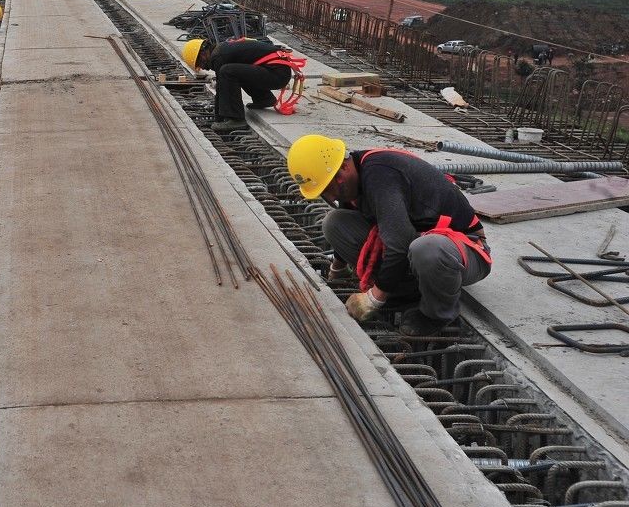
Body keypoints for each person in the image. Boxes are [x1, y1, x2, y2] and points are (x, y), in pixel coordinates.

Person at [286, 134, 492, 336]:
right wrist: (337, 269)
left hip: (463, 251)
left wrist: (374, 299)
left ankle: (436, 314)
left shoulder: (380, 176)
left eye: (330, 188)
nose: (331, 197)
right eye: (324, 193)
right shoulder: (353, 176)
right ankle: (404, 291)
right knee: (335, 222)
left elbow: (399, 244)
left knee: (426, 249)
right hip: (417, 241)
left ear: (344, 167)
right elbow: (351, 211)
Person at [181, 36, 305, 131]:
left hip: (276, 74)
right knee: (237, 71)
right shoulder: (221, 50)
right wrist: (217, 118)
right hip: (277, 71)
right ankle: (264, 99)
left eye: (200, 64)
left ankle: (236, 119)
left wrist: (219, 118)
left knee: (227, 72)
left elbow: (221, 88)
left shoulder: (218, 57)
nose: (204, 68)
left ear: (203, 54)